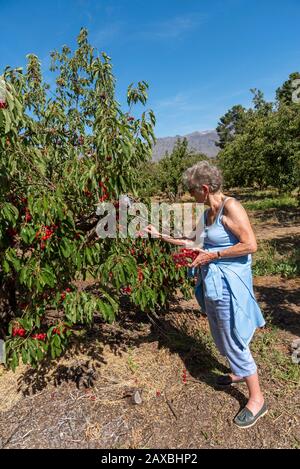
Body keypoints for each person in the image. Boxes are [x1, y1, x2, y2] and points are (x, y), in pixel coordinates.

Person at [144, 161, 268, 429]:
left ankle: (257, 399)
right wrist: (160, 236)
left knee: (232, 335)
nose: (190, 196)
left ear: (203, 188)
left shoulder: (230, 207)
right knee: (220, 332)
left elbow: (251, 244)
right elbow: (193, 241)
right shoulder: (207, 215)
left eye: (191, 191)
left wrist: (215, 254)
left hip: (229, 284)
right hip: (212, 284)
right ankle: (237, 371)